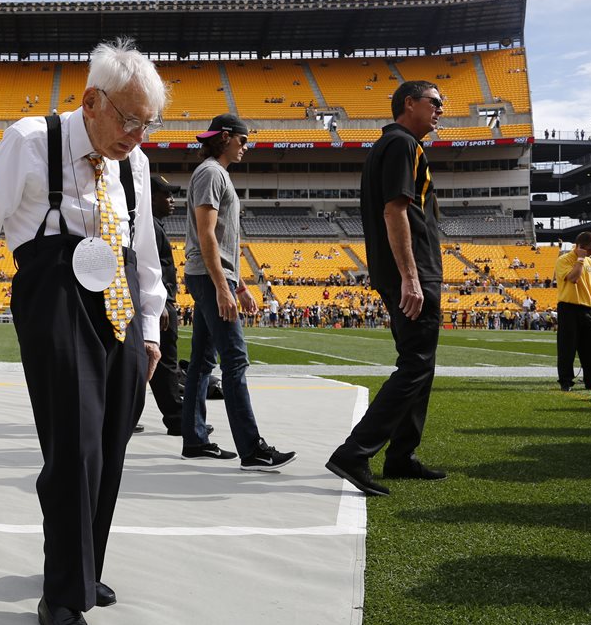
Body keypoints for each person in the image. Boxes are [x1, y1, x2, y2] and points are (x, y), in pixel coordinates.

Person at [0, 37, 166, 625]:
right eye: (128, 120)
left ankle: (84, 560)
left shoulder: (136, 163)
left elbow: (144, 249)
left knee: (112, 436)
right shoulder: (28, 140)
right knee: (74, 440)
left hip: (117, 290)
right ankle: (62, 595)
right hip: (53, 287)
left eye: (146, 125)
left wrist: (151, 328)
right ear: (91, 101)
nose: (136, 136)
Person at [325, 81, 447, 497]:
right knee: (414, 364)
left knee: (420, 364)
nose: (441, 110)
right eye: (435, 102)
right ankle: (355, 452)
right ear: (409, 104)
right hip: (410, 274)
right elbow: (395, 210)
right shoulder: (401, 145)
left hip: (403, 271)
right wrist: (411, 277)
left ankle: (401, 455)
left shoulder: (393, 144)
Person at [180, 113, 297, 470]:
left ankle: (195, 439)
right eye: (243, 141)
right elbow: (207, 234)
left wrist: (240, 285)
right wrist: (221, 286)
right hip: (209, 277)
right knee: (234, 360)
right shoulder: (212, 173)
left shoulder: (216, 174)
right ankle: (252, 448)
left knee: (202, 361)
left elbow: (224, 241)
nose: (246, 147)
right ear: (226, 137)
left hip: (214, 276)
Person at [142, 174, 183, 435]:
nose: (172, 200)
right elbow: (153, 270)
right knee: (166, 361)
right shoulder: (151, 227)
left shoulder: (152, 225)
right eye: (166, 195)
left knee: (156, 363)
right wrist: (164, 303)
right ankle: (177, 418)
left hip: (160, 302)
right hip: (160, 304)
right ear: (151, 197)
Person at [554, 232, 591, 391]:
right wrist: (580, 259)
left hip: (588, 307)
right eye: (590, 249)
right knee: (567, 346)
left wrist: (584, 259)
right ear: (581, 246)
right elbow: (573, 278)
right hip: (569, 307)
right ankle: (566, 381)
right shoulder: (564, 260)